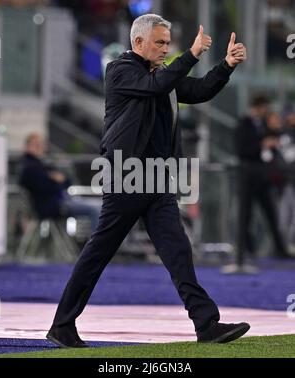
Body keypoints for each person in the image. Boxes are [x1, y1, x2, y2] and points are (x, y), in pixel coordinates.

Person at [46, 14, 250, 348]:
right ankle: (62, 324)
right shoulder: (120, 70)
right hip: (126, 174)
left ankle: (206, 324)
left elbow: (198, 91)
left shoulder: (161, 74)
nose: (165, 49)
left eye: (168, 43)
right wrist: (192, 55)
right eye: (160, 43)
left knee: (178, 251)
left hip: (156, 178)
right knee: (98, 254)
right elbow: (157, 85)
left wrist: (226, 65)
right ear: (138, 42)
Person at [236, 96, 290, 258]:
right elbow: (242, 150)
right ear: (257, 107)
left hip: (263, 177)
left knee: (271, 215)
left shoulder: (266, 124)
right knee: (246, 216)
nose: (266, 110)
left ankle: (280, 249)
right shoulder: (244, 124)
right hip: (247, 177)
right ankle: (245, 251)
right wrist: (261, 145)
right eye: (264, 107)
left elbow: (276, 141)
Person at [19, 133, 100, 231]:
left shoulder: (41, 164)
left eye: (41, 144)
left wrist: (55, 180)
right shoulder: (28, 167)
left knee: (102, 205)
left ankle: (114, 243)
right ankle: (99, 245)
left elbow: (67, 181)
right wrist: (55, 181)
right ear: (28, 146)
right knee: (95, 210)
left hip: (62, 201)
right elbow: (45, 188)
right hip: (53, 206)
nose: (40, 147)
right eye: (36, 144)